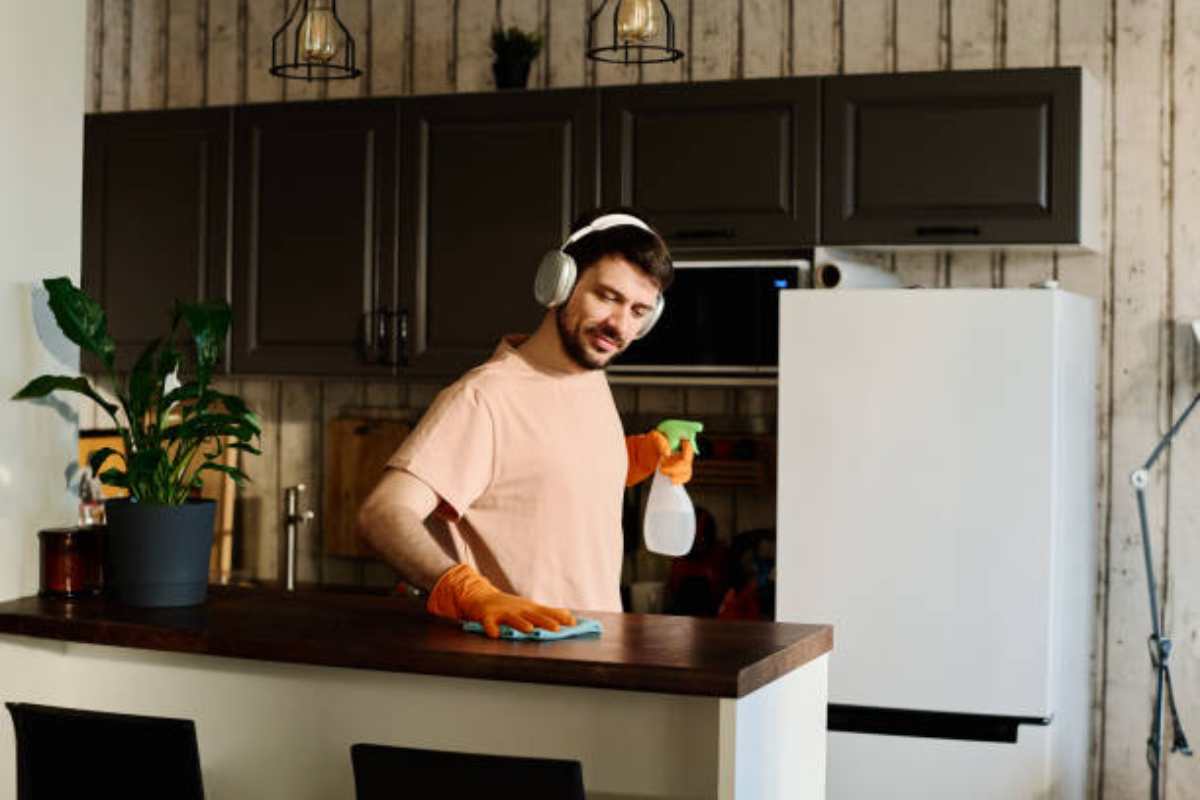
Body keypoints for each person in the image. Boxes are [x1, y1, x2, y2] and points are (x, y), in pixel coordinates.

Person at [356, 209, 700, 638]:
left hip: (599, 650)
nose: (619, 325)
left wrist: (639, 456)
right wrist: (468, 592)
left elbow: (538, 477)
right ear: (559, 283)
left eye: (638, 311)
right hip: (520, 662)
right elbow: (383, 513)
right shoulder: (484, 398)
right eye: (607, 297)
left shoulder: (591, 379)